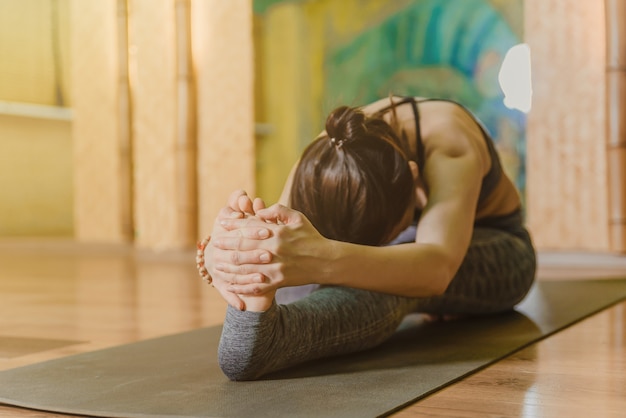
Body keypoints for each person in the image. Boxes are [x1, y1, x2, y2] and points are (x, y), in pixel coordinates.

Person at [199, 96, 536, 381]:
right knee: (298, 263)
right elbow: (276, 234)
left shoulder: (449, 141)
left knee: (389, 280)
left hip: (499, 247)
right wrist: (225, 251)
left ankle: (278, 340)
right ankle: (263, 326)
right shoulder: (331, 151)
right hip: (414, 244)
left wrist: (322, 260)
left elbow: (436, 269)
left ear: (414, 178)